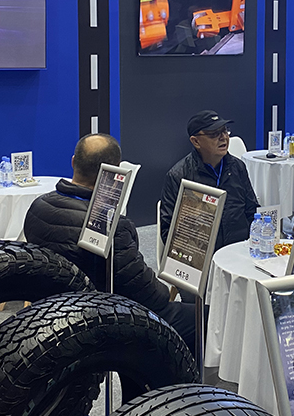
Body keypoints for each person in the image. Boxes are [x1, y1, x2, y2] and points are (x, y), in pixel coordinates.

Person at [23, 133, 197, 349]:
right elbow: (150, 296)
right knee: (205, 318)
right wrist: (165, 292)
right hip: (104, 321)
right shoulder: (113, 227)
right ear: (114, 174)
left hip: (52, 313)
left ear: (73, 162)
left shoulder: (38, 207)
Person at [160, 110, 259, 251]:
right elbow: (168, 231)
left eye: (224, 131)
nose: (223, 138)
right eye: (214, 134)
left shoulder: (238, 167)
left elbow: (252, 210)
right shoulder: (179, 176)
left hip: (239, 249)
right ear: (196, 141)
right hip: (202, 254)